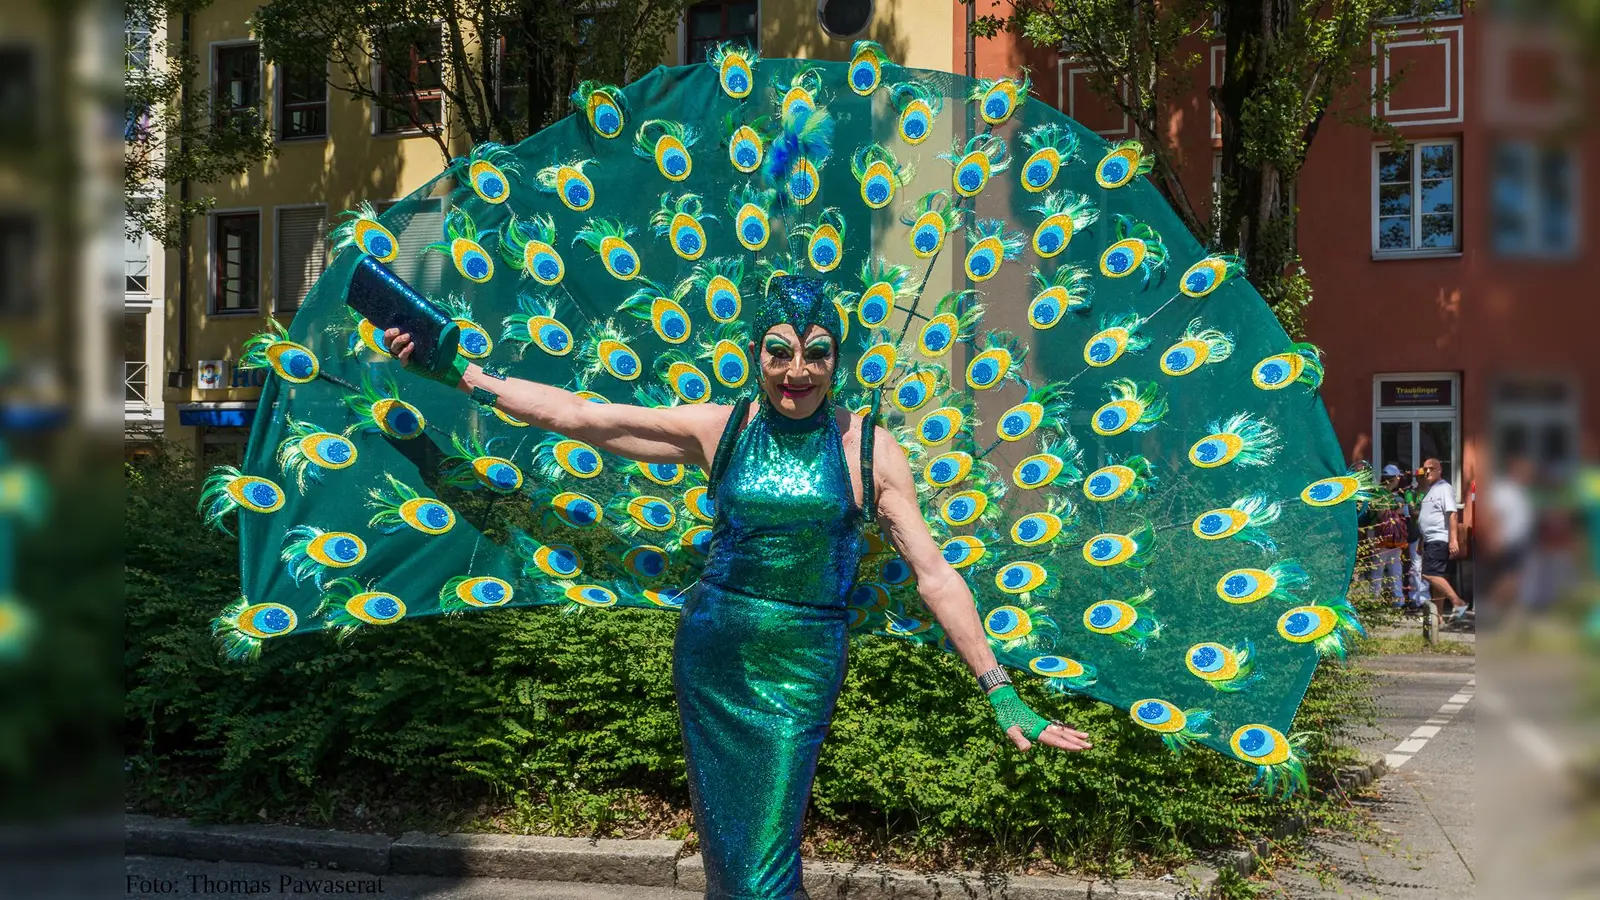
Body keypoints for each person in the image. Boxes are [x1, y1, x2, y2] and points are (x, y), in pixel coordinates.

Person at [384, 277, 1091, 900]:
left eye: (817, 353)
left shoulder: (866, 447)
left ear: (837, 360)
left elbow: (935, 574)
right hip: (714, 655)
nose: (796, 371)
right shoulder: (722, 429)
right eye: (779, 351)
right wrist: (460, 374)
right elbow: (580, 415)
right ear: (757, 352)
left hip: (803, 666)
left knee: (762, 871)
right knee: (733, 865)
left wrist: (999, 688)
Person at [1416, 458, 1466, 628]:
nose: (1428, 472)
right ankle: (1437, 618)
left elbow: (1452, 514)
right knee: (1437, 579)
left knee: (1429, 574)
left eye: (1431, 468)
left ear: (1439, 470)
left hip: (1439, 539)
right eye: (1425, 469)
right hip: (1430, 540)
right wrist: (1421, 541)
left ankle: (1457, 602)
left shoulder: (1444, 488)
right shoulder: (1431, 490)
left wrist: (1453, 539)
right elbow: (1427, 518)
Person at [1367, 464, 1411, 606]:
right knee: (1387, 568)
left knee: (1385, 568)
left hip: (1386, 535)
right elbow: (1382, 515)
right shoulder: (1382, 494)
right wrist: (1397, 511)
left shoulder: (1384, 493)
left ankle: (1382, 599)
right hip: (1383, 535)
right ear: (1395, 478)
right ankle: (1391, 600)